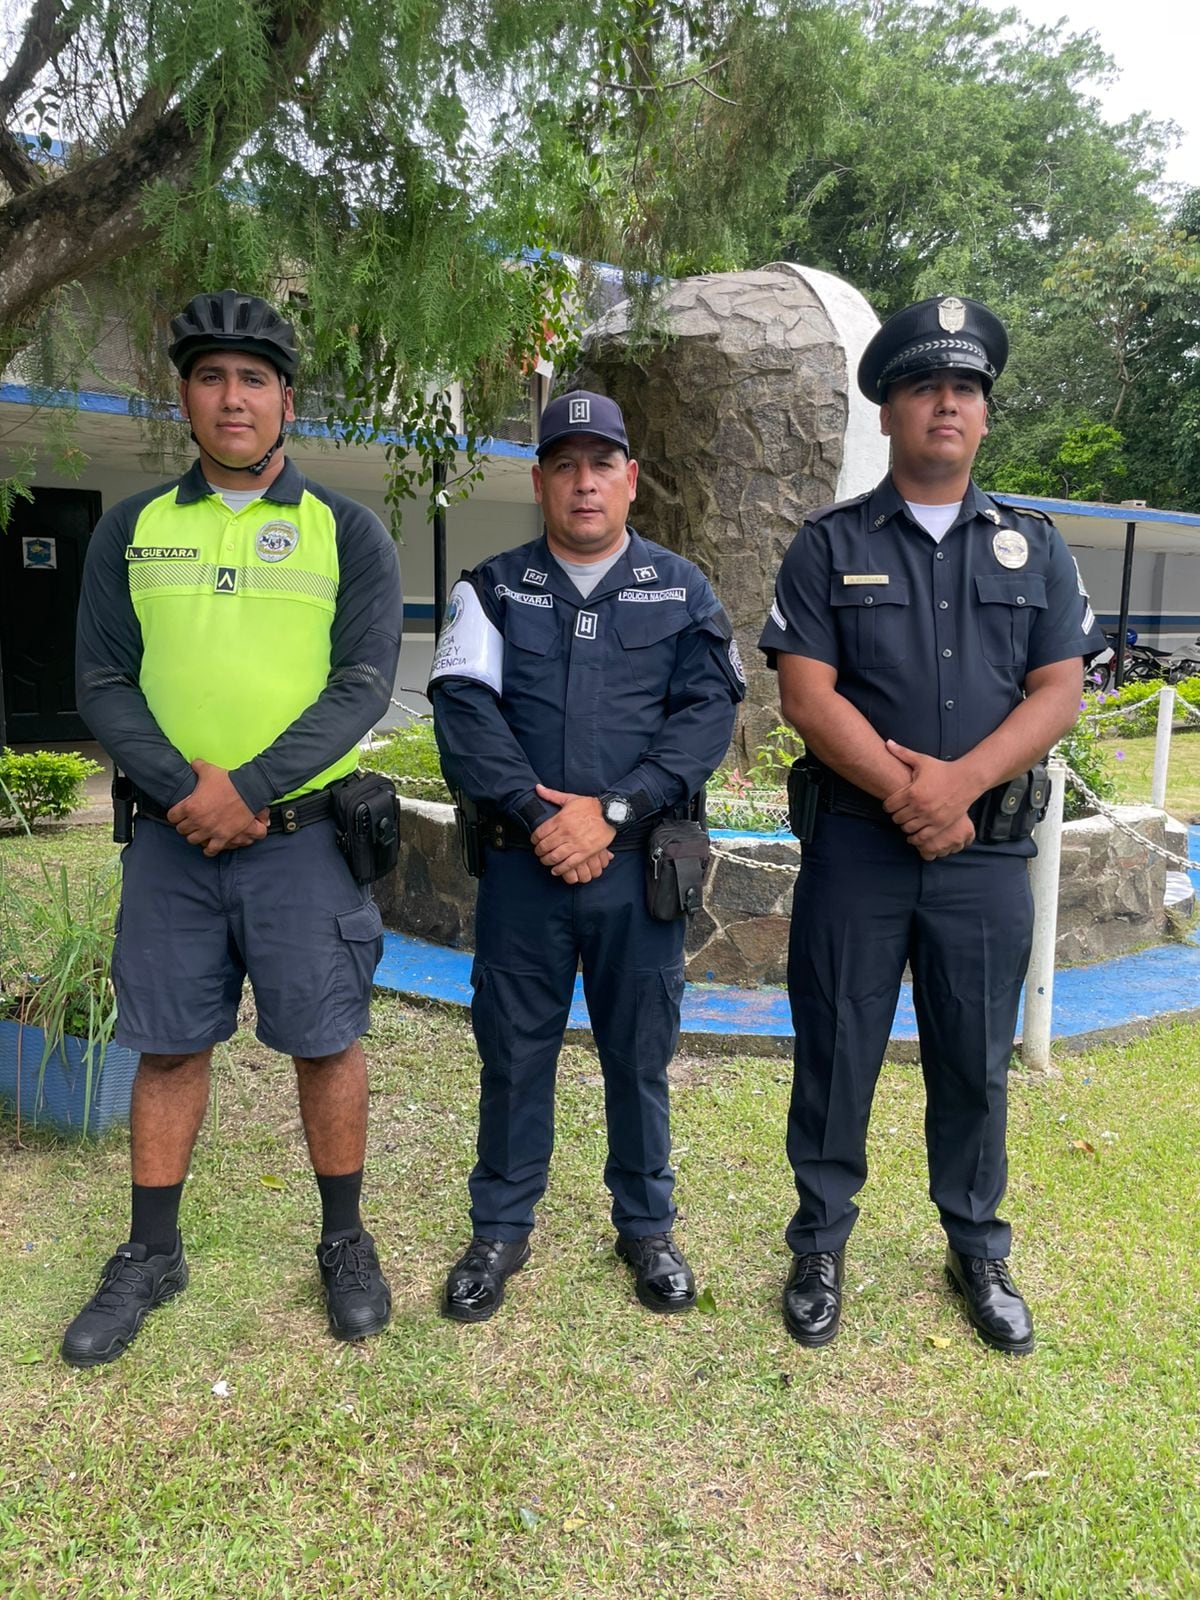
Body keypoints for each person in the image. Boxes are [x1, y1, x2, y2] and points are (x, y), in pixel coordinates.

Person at [758, 295, 1104, 1355]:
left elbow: (1058, 689)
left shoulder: (1035, 549)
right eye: (924, 388)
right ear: (890, 412)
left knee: (974, 1058)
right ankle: (820, 1243)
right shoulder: (828, 545)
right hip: (860, 848)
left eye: (964, 389)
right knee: (838, 1047)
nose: (945, 404)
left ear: (984, 416)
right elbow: (807, 697)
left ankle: (977, 1244)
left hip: (985, 854)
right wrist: (914, 794)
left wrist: (960, 786)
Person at [63, 290, 403, 1366]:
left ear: (286, 401)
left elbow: (362, 687)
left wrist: (247, 785)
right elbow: (104, 681)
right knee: (169, 1044)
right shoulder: (132, 531)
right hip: (174, 844)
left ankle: (343, 1239)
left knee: (326, 1040)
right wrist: (185, 791)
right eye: (212, 377)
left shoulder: (346, 532)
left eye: (254, 378)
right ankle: (152, 1251)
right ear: (185, 398)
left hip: (304, 842)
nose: (233, 396)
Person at [429, 390, 744, 1321]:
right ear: (539, 481)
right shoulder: (490, 588)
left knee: (639, 1053)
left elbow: (707, 717)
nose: (583, 482)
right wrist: (539, 817)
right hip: (527, 870)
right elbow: (462, 713)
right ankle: (500, 1229)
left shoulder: (682, 591)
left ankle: (646, 1227)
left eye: (601, 464)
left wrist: (610, 811)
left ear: (630, 479)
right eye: (563, 465)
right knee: (513, 1051)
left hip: (639, 871)